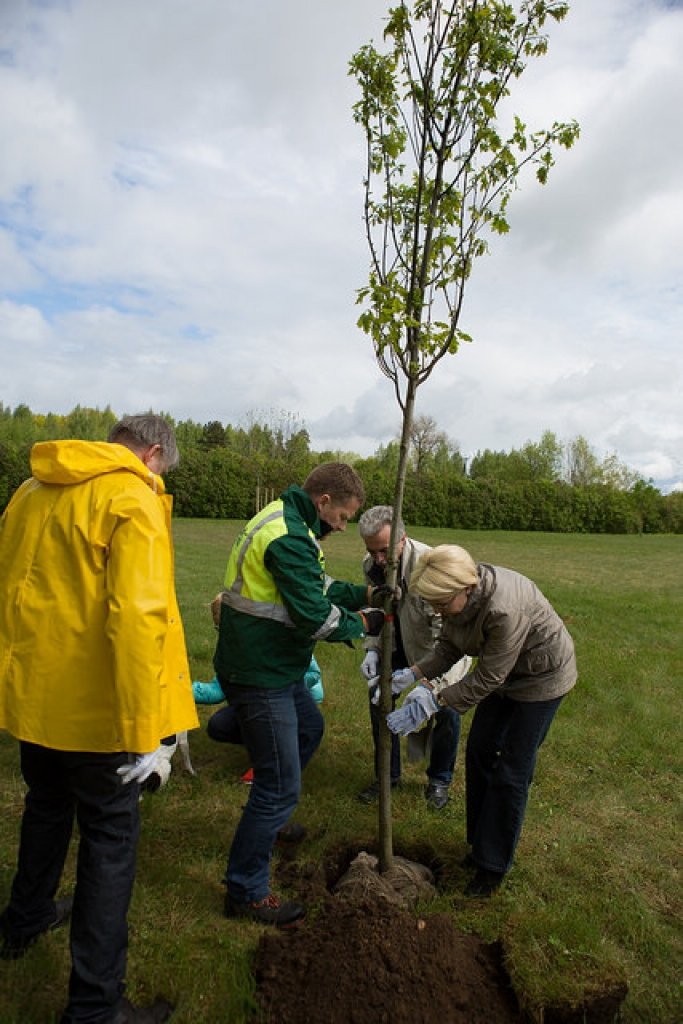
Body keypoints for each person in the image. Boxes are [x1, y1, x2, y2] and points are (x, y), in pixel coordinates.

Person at [0, 415, 199, 1024]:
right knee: (110, 842)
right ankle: (94, 1005)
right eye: (163, 469)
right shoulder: (130, 496)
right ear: (154, 452)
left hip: (36, 704)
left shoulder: (30, 491)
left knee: (46, 807)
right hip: (101, 714)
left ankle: (25, 918)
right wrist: (148, 732)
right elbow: (139, 617)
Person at [214, 462, 385, 927]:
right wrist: (367, 621)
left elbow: (315, 584)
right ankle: (246, 891)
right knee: (278, 785)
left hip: (272, 667)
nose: (343, 526)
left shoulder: (290, 523)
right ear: (324, 501)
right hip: (260, 673)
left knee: (310, 727)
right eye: (344, 517)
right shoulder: (289, 535)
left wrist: (363, 591)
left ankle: (267, 817)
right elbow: (315, 615)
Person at [386, 544, 577, 898]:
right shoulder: (455, 599)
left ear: (466, 588)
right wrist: (412, 673)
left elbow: (488, 677)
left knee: (512, 772)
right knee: (479, 751)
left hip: (541, 679)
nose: (437, 611)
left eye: (441, 604)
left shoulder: (504, 609)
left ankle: (493, 865)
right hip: (505, 675)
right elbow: (449, 647)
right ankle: (479, 844)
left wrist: (435, 699)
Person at [357, 507, 471, 810]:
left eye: (384, 551)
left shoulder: (432, 567)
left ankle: (439, 780)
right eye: (372, 551)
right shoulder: (370, 565)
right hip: (396, 645)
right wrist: (372, 647)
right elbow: (379, 611)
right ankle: (387, 777)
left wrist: (430, 685)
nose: (379, 559)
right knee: (377, 700)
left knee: (446, 708)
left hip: (436, 649)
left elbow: (447, 636)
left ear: (401, 539)